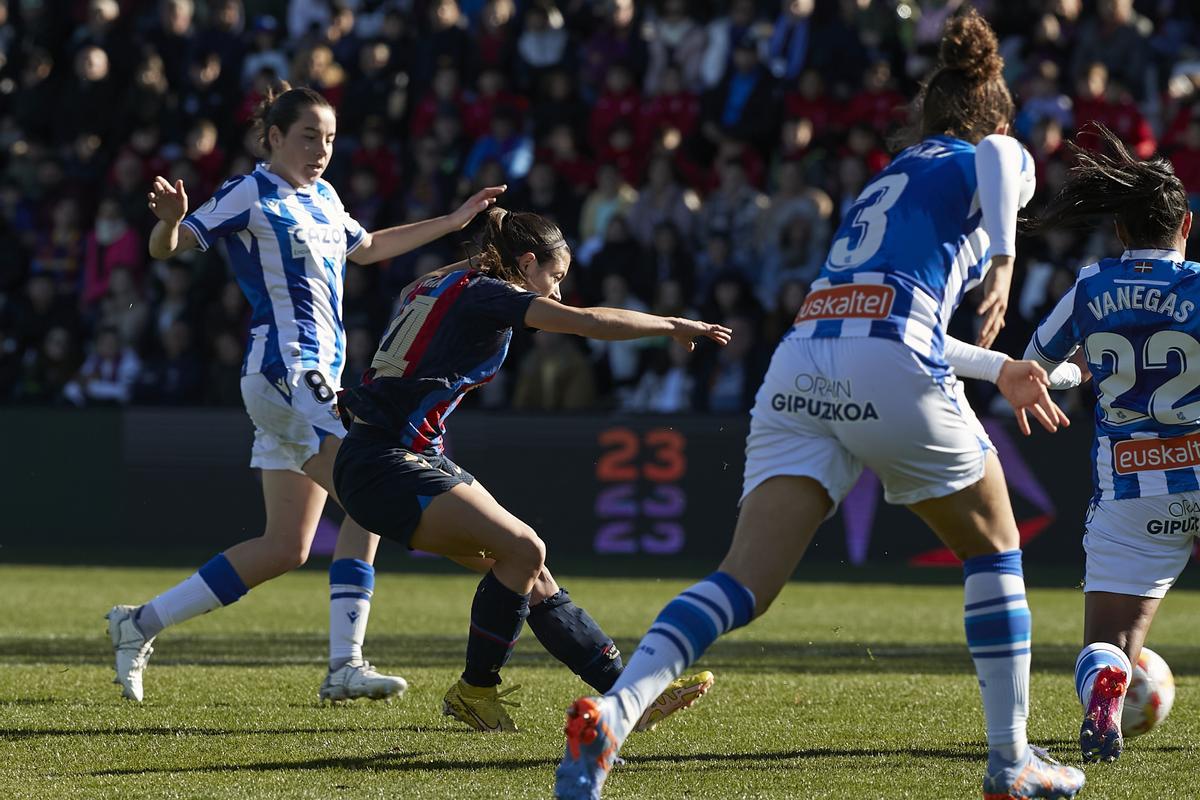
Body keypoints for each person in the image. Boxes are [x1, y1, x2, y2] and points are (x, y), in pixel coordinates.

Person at [555, 11, 1086, 800]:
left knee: (744, 581)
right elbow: (1003, 157)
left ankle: (614, 713)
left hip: (804, 359)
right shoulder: (991, 154)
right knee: (995, 545)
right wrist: (1005, 260)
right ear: (994, 118)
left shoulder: (889, 175)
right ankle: (1012, 765)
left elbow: (883, 315)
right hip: (884, 358)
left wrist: (999, 366)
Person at [106, 84, 504, 705]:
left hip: (310, 382)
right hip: (287, 371)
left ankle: (138, 623)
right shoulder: (250, 191)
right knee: (373, 488)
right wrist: (170, 223)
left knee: (286, 546)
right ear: (273, 138)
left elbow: (369, 248)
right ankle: (346, 663)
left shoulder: (325, 197)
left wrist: (453, 222)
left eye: (330, 139)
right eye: (309, 137)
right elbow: (171, 248)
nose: (321, 150)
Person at [333, 207, 732, 732]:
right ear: (525, 263)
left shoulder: (436, 282)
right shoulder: (490, 295)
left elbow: (424, 288)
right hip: (384, 462)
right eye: (555, 276)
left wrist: (487, 247)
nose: (558, 292)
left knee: (531, 572)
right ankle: (475, 691)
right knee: (525, 549)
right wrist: (671, 323)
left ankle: (631, 696)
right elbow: (588, 323)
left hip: (396, 454)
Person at [1022, 124, 1197, 764]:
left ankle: (1107, 686)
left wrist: (1078, 372)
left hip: (1131, 486)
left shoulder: (1092, 286)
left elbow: (1038, 364)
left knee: (1110, 643)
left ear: (1119, 231)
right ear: (1186, 226)